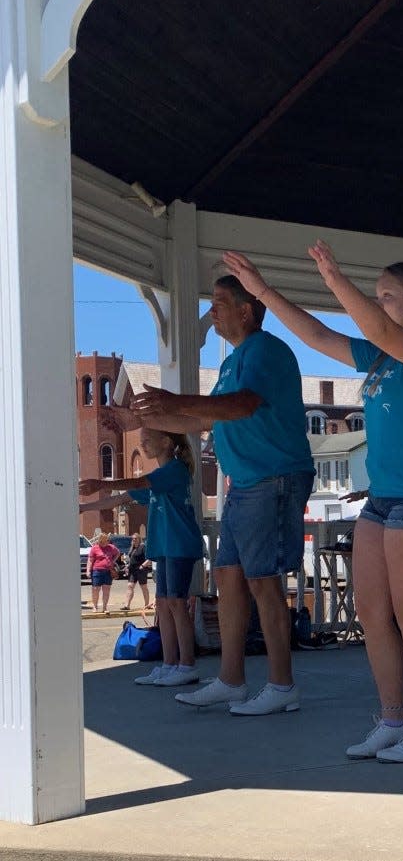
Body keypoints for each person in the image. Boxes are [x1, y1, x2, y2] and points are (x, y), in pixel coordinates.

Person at [223, 242, 403, 761]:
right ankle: (392, 719)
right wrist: (262, 290)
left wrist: (335, 278)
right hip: (383, 501)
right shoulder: (380, 357)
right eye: (374, 295)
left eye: (388, 297)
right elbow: (316, 335)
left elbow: (377, 329)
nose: (378, 305)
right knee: (373, 614)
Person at [129, 275, 316, 716]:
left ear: (246, 310)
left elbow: (242, 406)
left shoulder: (265, 351)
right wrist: (157, 415)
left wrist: (175, 400)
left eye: (219, 302)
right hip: (244, 485)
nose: (212, 310)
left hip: (272, 479)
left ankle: (282, 685)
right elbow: (205, 420)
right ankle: (231, 680)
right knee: (229, 579)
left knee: (263, 582)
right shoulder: (234, 362)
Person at [80, 429, 205, 687]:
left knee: (176, 603)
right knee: (163, 604)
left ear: (167, 442)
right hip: (166, 546)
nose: (143, 444)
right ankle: (169, 664)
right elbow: (121, 499)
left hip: (179, 544)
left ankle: (187, 665)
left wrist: (101, 484)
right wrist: (83, 508)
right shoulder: (160, 479)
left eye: (147, 440)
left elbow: (138, 484)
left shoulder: (174, 470)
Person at [86, 530, 121, 614]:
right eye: (104, 541)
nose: (106, 542)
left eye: (107, 540)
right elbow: (90, 560)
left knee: (106, 590)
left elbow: (118, 553)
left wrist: (113, 560)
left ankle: (105, 607)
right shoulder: (95, 548)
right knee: (95, 589)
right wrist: (88, 571)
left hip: (108, 571)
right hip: (97, 570)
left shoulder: (111, 547)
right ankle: (95, 606)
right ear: (100, 540)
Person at [119, 533, 153, 613]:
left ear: (139, 539)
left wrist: (143, 566)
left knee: (143, 587)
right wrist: (127, 567)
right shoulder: (132, 548)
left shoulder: (143, 547)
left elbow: (149, 558)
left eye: (135, 538)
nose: (134, 540)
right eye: (133, 539)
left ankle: (146, 604)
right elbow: (130, 560)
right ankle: (127, 605)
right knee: (130, 586)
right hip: (132, 571)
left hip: (141, 570)